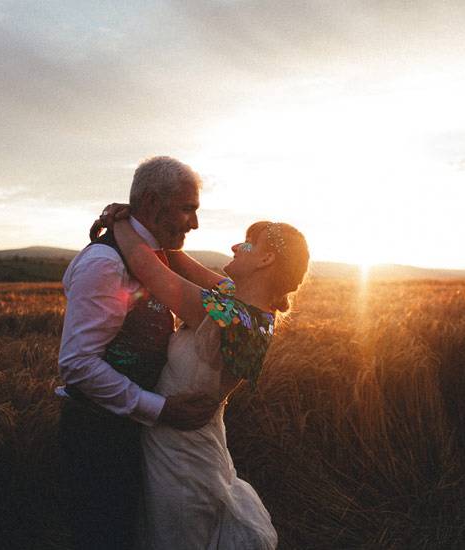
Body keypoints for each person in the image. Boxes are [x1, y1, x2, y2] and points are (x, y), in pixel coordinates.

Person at [97, 204, 309, 549]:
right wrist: (147, 219)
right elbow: (177, 260)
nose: (236, 247)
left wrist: (119, 221)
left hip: (182, 456)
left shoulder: (231, 319)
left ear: (266, 260)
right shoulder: (240, 304)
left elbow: (148, 269)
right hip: (178, 438)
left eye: (248, 244)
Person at [56, 156, 220, 550]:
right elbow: (77, 365)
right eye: (187, 209)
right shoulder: (105, 263)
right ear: (150, 202)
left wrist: (122, 223)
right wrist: (158, 408)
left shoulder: (154, 257)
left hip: (137, 434)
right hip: (99, 440)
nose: (194, 224)